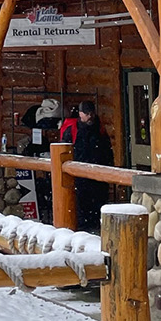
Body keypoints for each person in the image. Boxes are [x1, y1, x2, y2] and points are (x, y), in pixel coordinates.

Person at [67, 98, 113, 235]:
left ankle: (97, 227)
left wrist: (109, 167)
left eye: (91, 113)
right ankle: (84, 230)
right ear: (80, 114)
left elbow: (107, 149)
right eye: (86, 113)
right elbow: (65, 150)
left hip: (99, 172)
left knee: (99, 202)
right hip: (79, 173)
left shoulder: (100, 128)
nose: (89, 116)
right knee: (82, 203)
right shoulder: (73, 129)